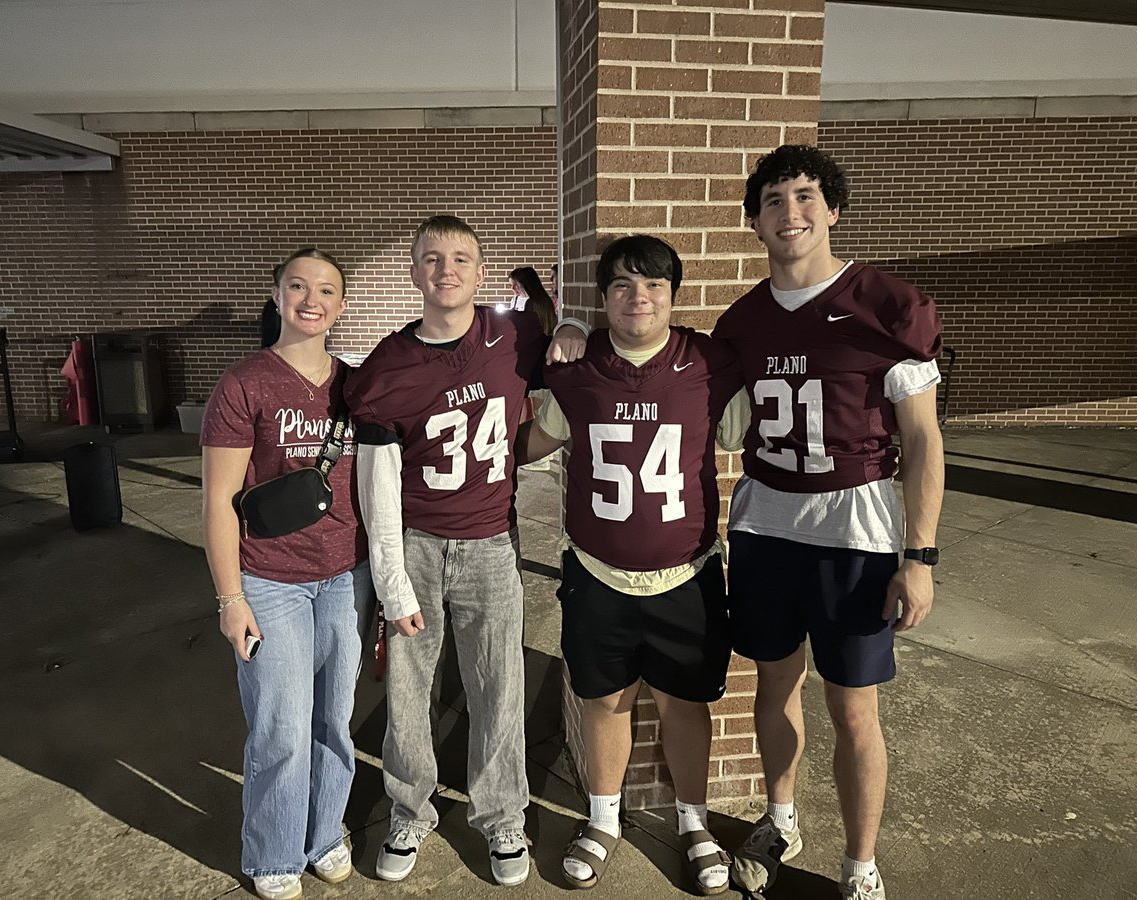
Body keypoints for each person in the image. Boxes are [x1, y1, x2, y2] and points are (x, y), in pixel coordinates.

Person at [714, 145, 945, 900]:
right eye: (774, 201)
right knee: (772, 688)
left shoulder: (887, 304)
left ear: (833, 208)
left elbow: (921, 440)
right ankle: (780, 819)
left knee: (852, 708)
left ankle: (860, 863)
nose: (791, 213)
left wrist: (920, 555)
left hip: (855, 530)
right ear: (755, 221)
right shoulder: (741, 321)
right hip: (764, 526)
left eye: (806, 196)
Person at [344, 215, 587, 887]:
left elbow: (571, 353)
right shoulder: (388, 368)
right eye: (431, 258)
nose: (445, 269)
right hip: (417, 542)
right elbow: (377, 486)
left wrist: (571, 330)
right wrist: (391, 578)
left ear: (481, 274)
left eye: (460, 258)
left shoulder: (513, 336)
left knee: (497, 686)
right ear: (414, 272)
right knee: (407, 689)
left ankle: (502, 815)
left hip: (491, 542)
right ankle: (407, 809)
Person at [517, 235, 743, 894]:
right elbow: (536, 439)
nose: (637, 296)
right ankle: (604, 819)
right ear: (603, 297)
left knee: (684, 705)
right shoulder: (578, 367)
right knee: (604, 702)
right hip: (597, 571)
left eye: (651, 285)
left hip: (687, 574)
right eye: (622, 284)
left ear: (672, 294)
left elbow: (751, 431)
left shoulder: (708, 361)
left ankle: (694, 823)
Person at [200, 248, 373, 900]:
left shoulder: (354, 385)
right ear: (276, 295)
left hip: (344, 577)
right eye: (298, 286)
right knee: (280, 725)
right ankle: (273, 851)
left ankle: (324, 834)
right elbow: (218, 501)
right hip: (270, 580)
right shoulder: (243, 385)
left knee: (335, 721)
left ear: (342, 304)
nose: (311, 299)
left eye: (326, 289)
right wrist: (229, 597)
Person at [508, 265, 557, 335]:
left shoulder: (535, 303)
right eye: (511, 285)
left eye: (516, 286)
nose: (513, 289)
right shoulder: (515, 300)